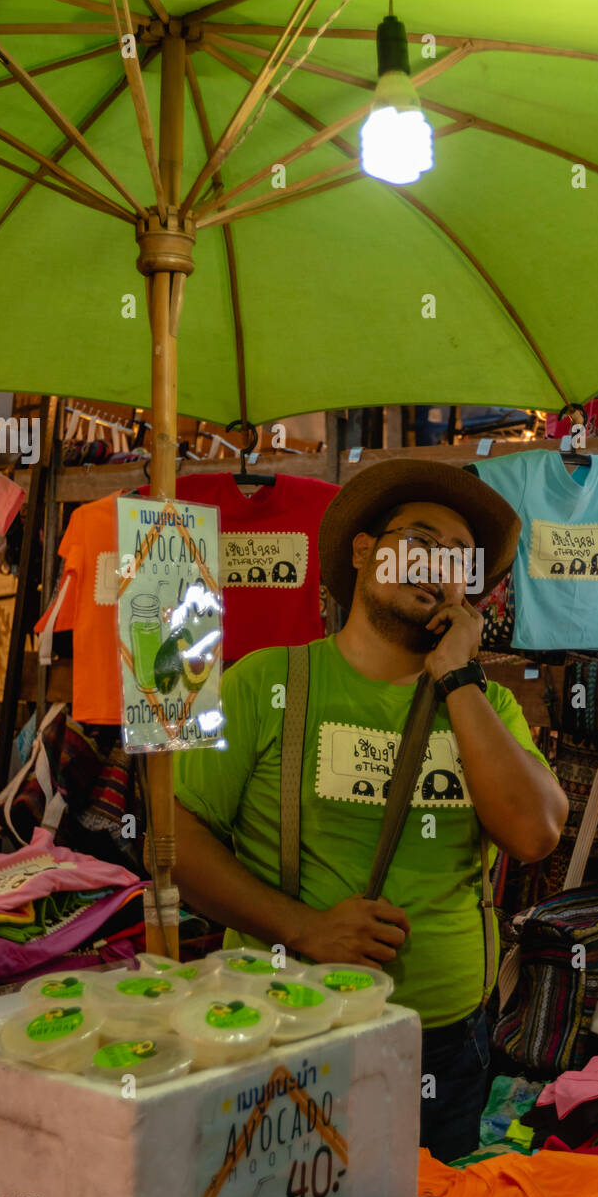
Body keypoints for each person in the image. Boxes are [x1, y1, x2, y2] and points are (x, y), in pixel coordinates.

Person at [171, 459, 568, 1161]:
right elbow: (176, 839)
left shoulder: (487, 706)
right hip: (286, 1025)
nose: (438, 567)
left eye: (457, 558)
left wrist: (460, 678)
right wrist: (305, 929)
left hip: (445, 1046)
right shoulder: (265, 679)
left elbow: (534, 833)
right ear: (362, 552)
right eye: (420, 541)